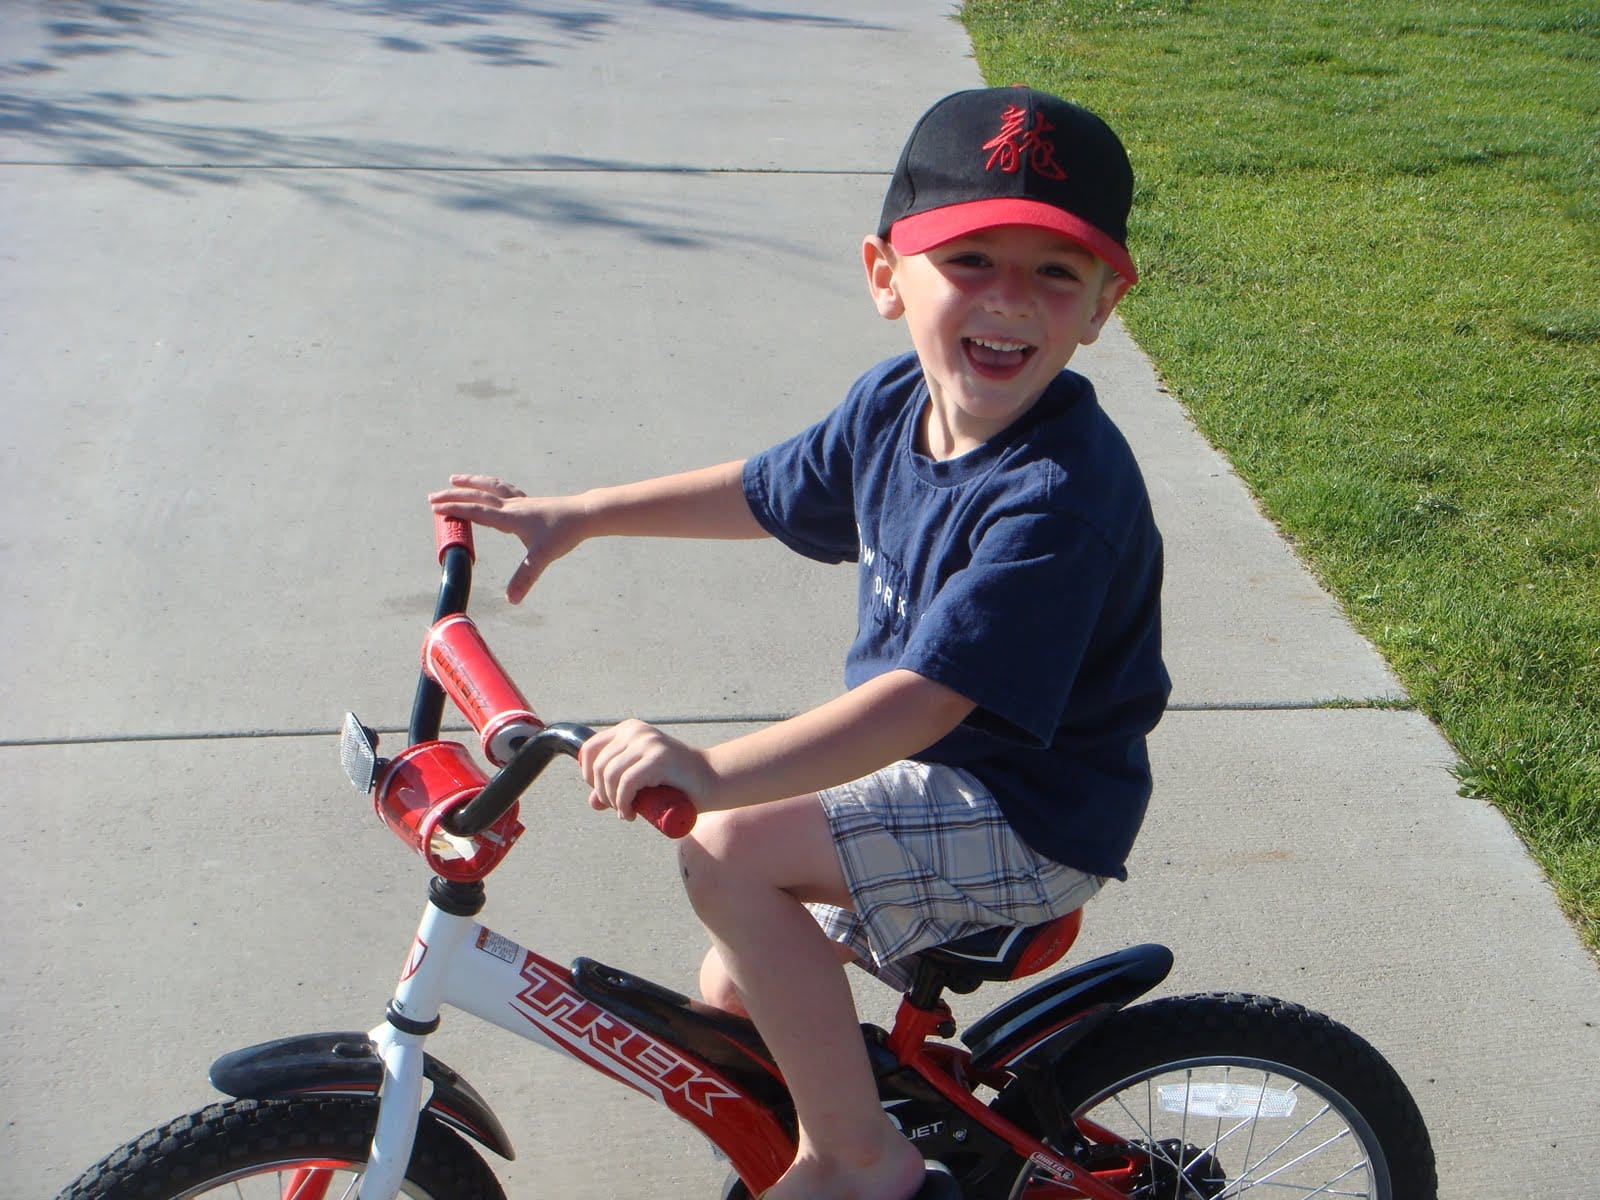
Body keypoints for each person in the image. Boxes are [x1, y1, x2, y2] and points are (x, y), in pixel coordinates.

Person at [430, 86, 1169, 1200]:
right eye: (969, 258)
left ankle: (859, 1161)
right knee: (732, 999)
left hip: (1030, 814)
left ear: (1102, 304)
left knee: (729, 851)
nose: (1010, 300)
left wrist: (714, 773)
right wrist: (579, 513)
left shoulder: (1058, 500)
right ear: (886, 276)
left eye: (1054, 272)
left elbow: (924, 699)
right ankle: (838, 1131)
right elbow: (766, 492)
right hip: (946, 776)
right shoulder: (892, 410)